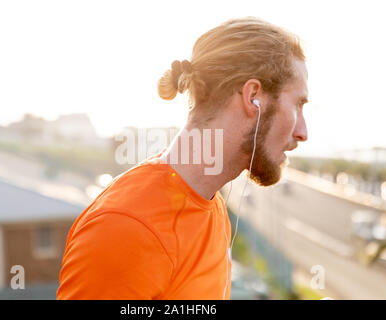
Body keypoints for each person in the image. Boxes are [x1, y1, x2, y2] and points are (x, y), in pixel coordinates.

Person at [56, 16, 308, 300]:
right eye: (298, 104)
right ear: (253, 98)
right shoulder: (126, 227)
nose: (303, 132)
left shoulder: (213, 210)